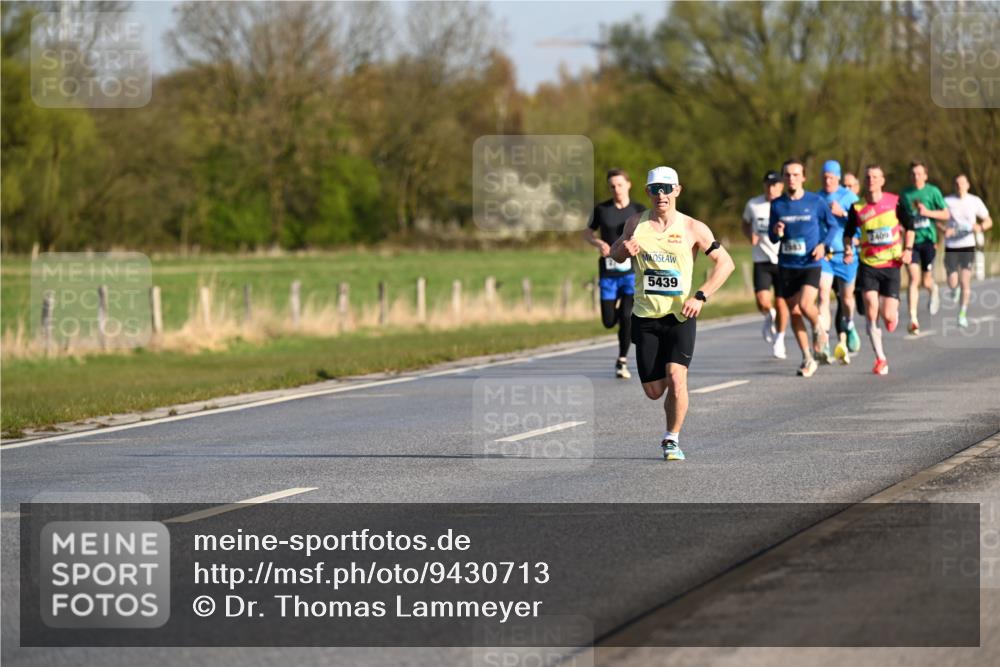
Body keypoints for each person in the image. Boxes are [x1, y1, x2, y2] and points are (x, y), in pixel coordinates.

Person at [610, 166, 735, 461]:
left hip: (680, 317)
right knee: (654, 391)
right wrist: (624, 251)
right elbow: (614, 253)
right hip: (645, 318)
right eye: (655, 189)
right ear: (647, 192)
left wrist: (701, 295)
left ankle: (671, 438)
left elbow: (726, 263)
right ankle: (667, 387)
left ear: (677, 190)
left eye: (667, 188)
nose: (661, 194)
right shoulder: (634, 224)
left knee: (678, 380)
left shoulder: (693, 228)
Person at [767, 158, 840, 378]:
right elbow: (772, 237)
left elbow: (833, 225)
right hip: (787, 264)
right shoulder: (777, 204)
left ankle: (819, 328)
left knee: (806, 304)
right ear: (784, 178)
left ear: (804, 178)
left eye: (796, 174)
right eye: (787, 175)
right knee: (795, 312)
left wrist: (823, 245)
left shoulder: (816, 201)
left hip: (810, 262)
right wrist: (776, 231)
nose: (791, 178)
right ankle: (808, 357)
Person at [843, 165, 914, 375]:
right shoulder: (857, 207)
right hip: (868, 265)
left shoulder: (895, 201)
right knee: (871, 308)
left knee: (888, 314)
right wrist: (848, 248)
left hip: (891, 265)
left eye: (875, 177)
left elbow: (910, 227)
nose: (871, 180)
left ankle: (892, 317)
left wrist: (908, 249)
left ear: (882, 180)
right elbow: (848, 234)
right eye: (868, 177)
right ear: (864, 182)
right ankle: (880, 358)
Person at [584, 169, 646, 378]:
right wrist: (598, 242)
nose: (616, 189)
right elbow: (587, 232)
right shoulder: (601, 209)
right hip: (608, 272)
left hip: (631, 272)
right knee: (609, 321)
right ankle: (625, 322)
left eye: (620, 184)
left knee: (627, 315)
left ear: (628, 184)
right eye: (612, 186)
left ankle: (622, 360)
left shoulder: (639, 210)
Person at [815, 160, 861, 364]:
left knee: (846, 299)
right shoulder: (816, 198)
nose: (827, 181)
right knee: (823, 295)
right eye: (825, 177)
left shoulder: (849, 197)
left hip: (846, 253)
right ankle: (823, 339)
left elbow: (861, 226)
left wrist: (841, 213)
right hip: (826, 255)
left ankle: (850, 324)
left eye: (831, 177)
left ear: (838, 178)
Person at [742, 170, 789, 358]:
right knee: (762, 302)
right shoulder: (753, 204)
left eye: (775, 184)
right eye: (768, 184)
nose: (771, 188)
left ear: (781, 186)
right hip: (761, 259)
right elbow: (745, 223)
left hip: (783, 259)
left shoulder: (787, 204)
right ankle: (769, 315)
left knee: (781, 302)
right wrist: (749, 235)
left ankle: (780, 339)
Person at [900, 161, 949, 334]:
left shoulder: (933, 191)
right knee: (914, 278)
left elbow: (946, 213)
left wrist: (928, 213)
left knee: (926, 280)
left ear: (925, 176)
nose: (916, 177)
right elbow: (900, 217)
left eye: (919, 174)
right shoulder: (905, 194)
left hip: (929, 241)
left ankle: (933, 289)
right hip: (911, 242)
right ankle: (913, 319)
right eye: (913, 174)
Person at [944, 174, 993, 328]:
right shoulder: (947, 201)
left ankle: (962, 314)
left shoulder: (974, 201)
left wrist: (980, 227)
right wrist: (945, 230)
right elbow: (937, 220)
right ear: (954, 185)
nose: (959, 186)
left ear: (968, 185)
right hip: (951, 246)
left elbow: (988, 220)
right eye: (957, 183)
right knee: (952, 281)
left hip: (967, 245)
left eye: (962, 183)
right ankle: (954, 289)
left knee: (965, 280)